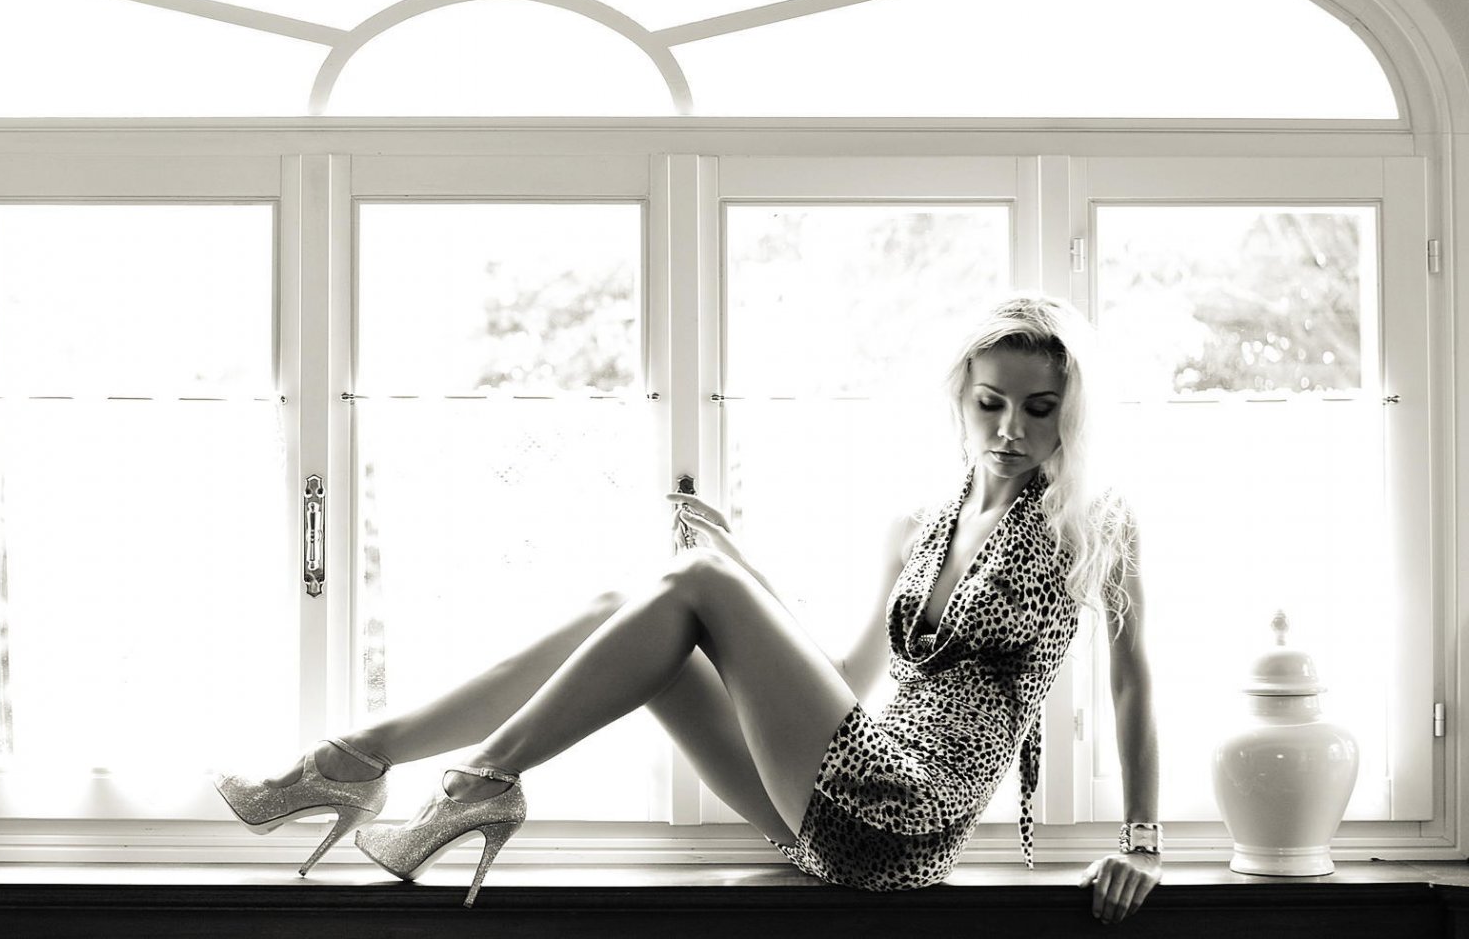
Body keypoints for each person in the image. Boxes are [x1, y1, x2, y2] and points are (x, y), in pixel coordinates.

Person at [214, 294, 1161, 922]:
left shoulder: (1091, 524)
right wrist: (745, 580)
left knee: (696, 584)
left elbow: (1131, 687)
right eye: (992, 403)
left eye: (1040, 409)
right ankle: (355, 759)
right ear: (962, 398)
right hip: (827, 803)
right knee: (625, 611)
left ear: (1070, 412)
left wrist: (1143, 845)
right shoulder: (920, 524)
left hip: (907, 821)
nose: (1012, 429)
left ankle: (474, 785)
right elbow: (841, 680)